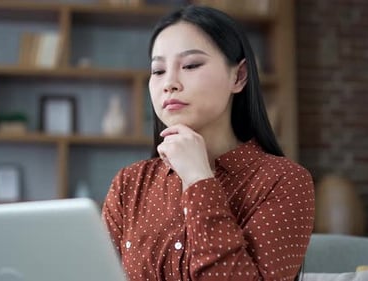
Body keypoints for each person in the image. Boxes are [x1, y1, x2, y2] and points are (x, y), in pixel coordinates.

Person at [101, 4, 315, 281]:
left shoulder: (283, 181)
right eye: (158, 70)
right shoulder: (129, 184)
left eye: (190, 65)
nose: (170, 83)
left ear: (238, 76)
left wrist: (199, 179)